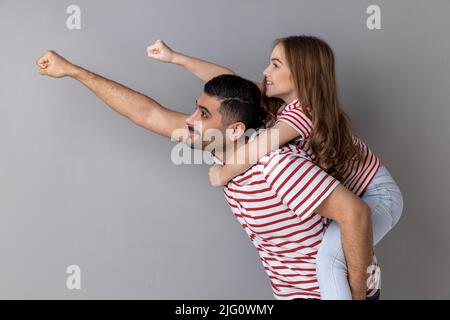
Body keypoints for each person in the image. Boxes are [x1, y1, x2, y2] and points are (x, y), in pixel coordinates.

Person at [36, 50, 375, 299]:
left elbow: (356, 214)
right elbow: (147, 113)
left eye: (202, 113)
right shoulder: (221, 144)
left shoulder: (278, 165)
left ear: (235, 129)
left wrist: (358, 295)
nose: (189, 121)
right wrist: (73, 71)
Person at [146, 35, 404, 299]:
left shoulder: (303, 113)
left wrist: (222, 173)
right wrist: (175, 57)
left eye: (275, 65)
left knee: (328, 260)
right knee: (332, 255)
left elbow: (258, 148)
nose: (265, 71)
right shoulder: (285, 105)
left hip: (379, 195)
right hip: (362, 192)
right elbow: (228, 80)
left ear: (301, 75)